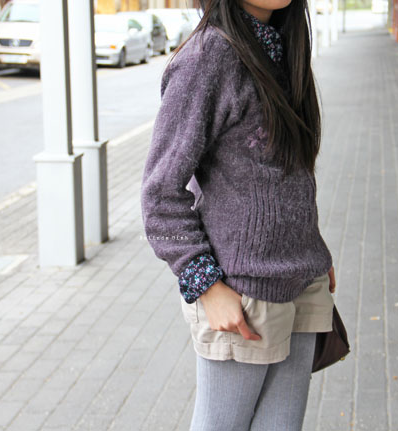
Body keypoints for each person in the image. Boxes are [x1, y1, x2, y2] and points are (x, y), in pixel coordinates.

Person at [140, 0, 336, 429]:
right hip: (243, 291)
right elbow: (160, 194)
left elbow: (286, 175)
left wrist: (313, 249)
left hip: (303, 280)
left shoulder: (283, 46)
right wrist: (207, 286)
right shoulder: (208, 58)